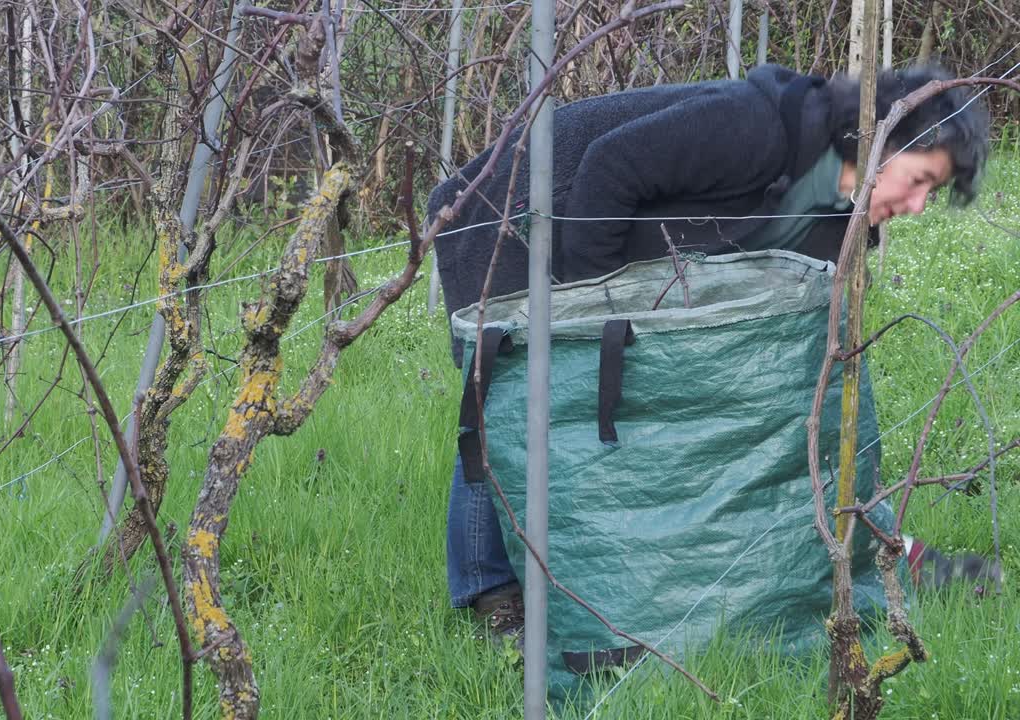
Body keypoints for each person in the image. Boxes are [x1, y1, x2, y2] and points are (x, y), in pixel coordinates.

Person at [426, 63, 996, 644]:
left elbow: (804, 392)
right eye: (921, 179)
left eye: (934, 190)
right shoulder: (755, 127)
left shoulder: (833, 216)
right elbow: (608, 169)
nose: (920, 205)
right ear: (880, 138)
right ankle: (492, 593)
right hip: (513, 216)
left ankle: (881, 553)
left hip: (608, 246)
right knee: (507, 392)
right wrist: (593, 319)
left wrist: (885, 540)